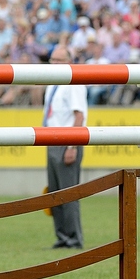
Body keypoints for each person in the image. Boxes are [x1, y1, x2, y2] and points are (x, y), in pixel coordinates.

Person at [43, 44, 87, 249]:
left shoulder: (74, 81)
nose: (54, 64)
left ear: (69, 61)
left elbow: (79, 115)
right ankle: (62, 235)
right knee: (55, 192)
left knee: (69, 193)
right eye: (52, 60)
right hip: (52, 140)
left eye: (59, 60)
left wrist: (72, 146)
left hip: (67, 141)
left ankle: (74, 238)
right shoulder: (53, 83)